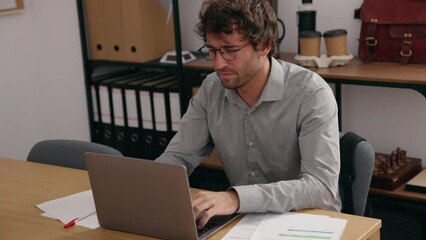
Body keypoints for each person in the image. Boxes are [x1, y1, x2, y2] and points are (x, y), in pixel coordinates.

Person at [156, 0, 341, 229]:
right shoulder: (211, 89)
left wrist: (236, 198)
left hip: (308, 223)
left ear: (264, 45)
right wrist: (150, 185)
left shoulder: (311, 93)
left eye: (230, 51)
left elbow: (321, 187)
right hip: (247, 223)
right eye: (212, 51)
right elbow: (178, 157)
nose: (219, 64)